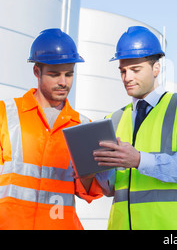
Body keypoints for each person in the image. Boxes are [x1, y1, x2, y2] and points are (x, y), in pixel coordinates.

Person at [94, 26, 177, 230]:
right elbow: (111, 188)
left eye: (135, 70)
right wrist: (91, 170)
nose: (127, 77)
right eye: (123, 70)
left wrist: (139, 160)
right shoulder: (113, 119)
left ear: (156, 68)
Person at [0, 28, 103, 230]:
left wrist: (90, 171)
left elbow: (89, 192)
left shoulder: (82, 125)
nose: (63, 82)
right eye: (55, 74)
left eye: (69, 74)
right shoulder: (6, 114)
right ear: (36, 71)